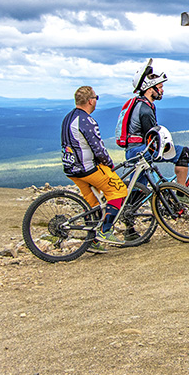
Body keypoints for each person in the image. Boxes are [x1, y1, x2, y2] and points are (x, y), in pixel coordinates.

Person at [61, 85, 129, 252]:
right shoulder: (87, 120)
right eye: (96, 98)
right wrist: (109, 164)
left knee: (93, 204)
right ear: (91, 101)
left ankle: (92, 241)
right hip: (88, 168)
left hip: (71, 169)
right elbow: (98, 148)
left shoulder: (67, 118)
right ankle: (105, 231)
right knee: (119, 191)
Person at [123, 59, 189, 186]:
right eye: (159, 87)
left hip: (134, 150)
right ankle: (182, 193)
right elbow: (152, 136)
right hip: (140, 151)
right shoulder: (145, 109)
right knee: (183, 153)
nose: (162, 91)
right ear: (149, 89)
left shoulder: (140, 104)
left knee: (138, 190)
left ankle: (128, 205)